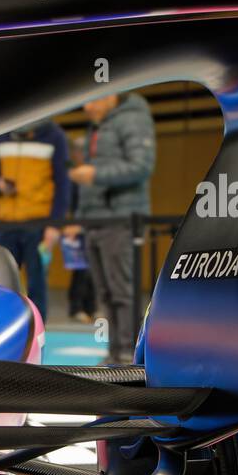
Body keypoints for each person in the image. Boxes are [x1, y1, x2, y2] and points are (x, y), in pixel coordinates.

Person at [67, 92, 156, 365]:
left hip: (120, 220)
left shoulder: (132, 119)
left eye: (92, 100)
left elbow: (142, 166)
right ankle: (114, 353)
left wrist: (95, 175)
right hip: (95, 221)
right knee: (105, 293)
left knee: (121, 291)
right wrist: (79, 219)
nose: (86, 107)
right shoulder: (97, 126)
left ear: (111, 96)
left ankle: (128, 354)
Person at [0, 120, 69, 321]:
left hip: (38, 223)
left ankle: (37, 333)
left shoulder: (54, 136)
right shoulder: (2, 135)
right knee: (3, 284)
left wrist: (54, 225)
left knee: (36, 284)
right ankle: (6, 329)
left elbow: (63, 184)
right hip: (5, 224)